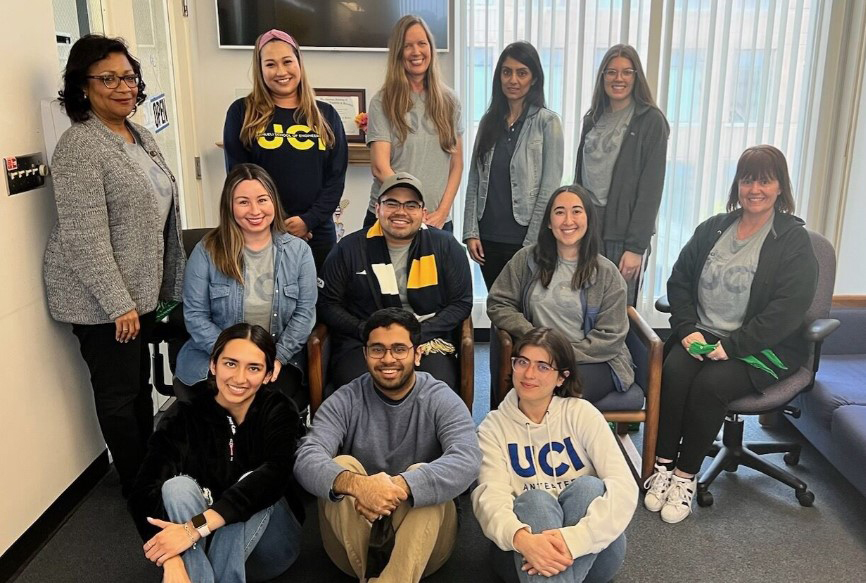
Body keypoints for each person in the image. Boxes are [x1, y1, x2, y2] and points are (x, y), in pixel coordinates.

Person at [644, 145, 818, 524]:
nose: (755, 188)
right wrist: (687, 329)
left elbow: (786, 311)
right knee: (673, 372)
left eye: (765, 180)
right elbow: (680, 281)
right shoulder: (713, 228)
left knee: (710, 385)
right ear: (737, 184)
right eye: (747, 179)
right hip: (703, 333)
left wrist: (732, 346)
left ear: (779, 187)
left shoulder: (792, 241)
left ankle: (686, 477)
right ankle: (663, 467)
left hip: (763, 346)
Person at [43, 34, 185, 497]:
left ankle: (147, 468)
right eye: (108, 78)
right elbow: (84, 237)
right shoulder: (79, 146)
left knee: (137, 386)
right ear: (83, 86)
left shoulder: (138, 134)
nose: (123, 86)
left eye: (128, 76)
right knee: (121, 397)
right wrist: (119, 304)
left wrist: (163, 291)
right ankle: (138, 486)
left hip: (137, 294)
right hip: (101, 302)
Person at [294, 308, 481, 583]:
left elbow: (468, 458)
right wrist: (359, 486)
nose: (388, 359)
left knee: (425, 480)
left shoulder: (441, 398)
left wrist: (403, 486)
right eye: (378, 349)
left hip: (424, 544)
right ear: (365, 355)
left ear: (417, 354)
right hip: (353, 534)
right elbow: (305, 457)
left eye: (399, 349)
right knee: (342, 467)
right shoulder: (345, 399)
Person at [128, 324, 305, 583]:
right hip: (200, 549)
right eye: (230, 364)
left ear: (269, 375)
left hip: (268, 547)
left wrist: (192, 528)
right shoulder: (185, 412)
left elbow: (273, 477)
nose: (239, 378)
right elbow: (142, 490)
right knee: (176, 488)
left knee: (248, 484)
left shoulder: (279, 411)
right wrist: (171, 560)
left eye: (254, 368)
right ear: (213, 365)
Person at [472, 327, 636, 583]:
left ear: (562, 377)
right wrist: (524, 540)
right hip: (522, 554)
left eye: (543, 367)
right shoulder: (493, 427)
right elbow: (489, 498)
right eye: (522, 362)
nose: (528, 374)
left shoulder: (582, 413)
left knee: (589, 487)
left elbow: (623, 487)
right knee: (535, 501)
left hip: (594, 549)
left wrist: (572, 541)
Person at [176, 163, 316, 410]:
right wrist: (231, 359)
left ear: (274, 202)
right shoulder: (207, 250)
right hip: (214, 356)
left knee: (265, 409)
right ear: (229, 207)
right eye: (243, 202)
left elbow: (305, 314)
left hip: (276, 358)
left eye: (262, 200)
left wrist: (278, 356)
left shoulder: (299, 252)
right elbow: (195, 315)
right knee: (217, 407)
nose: (255, 210)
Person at [318, 172, 472, 391]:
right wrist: (366, 330)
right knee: (356, 389)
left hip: (426, 338)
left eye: (411, 205)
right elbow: (327, 304)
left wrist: (416, 333)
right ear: (377, 208)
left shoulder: (447, 247)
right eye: (392, 203)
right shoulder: (348, 249)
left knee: (435, 389)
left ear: (423, 212)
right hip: (365, 338)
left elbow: (461, 302)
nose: (401, 212)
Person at [487, 185, 634, 407]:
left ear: (588, 219)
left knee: (556, 399)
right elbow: (498, 303)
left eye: (576, 211)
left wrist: (560, 356)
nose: (568, 221)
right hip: (539, 358)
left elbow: (610, 337)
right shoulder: (526, 260)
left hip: (592, 361)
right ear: (548, 221)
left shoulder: (606, 272)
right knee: (531, 392)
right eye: (559, 212)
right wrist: (532, 338)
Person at [223, 28, 348, 271]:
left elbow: (336, 179)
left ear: (299, 63)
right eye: (270, 64)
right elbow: (238, 178)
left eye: (287, 61)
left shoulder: (326, 115)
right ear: (260, 69)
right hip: (262, 230)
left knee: (319, 304)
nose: (281, 71)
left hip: (318, 234)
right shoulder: (241, 112)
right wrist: (277, 224)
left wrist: (307, 221)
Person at [464, 41, 564, 290]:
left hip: (523, 239)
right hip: (487, 237)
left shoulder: (547, 123)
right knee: (497, 308)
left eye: (522, 72)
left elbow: (549, 188)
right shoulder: (488, 121)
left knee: (524, 313)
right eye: (506, 72)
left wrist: (534, 241)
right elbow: (474, 179)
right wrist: (471, 232)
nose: (513, 79)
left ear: (534, 79)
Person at [574, 44, 669, 306]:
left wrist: (636, 247)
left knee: (617, 312)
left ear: (636, 77)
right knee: (583, 307)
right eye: (611, 72)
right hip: (589, 229)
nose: (619, 78)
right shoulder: (592, 118)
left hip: (623, 235)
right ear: (602, 76)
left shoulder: (650, 121)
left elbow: (651, 190)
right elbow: (579, 178)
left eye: (627, 72)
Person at [364, 14, 463, 232]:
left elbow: (456, 165)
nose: (416, 52)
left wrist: (443, 212)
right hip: (391, 220)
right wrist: (412, 209)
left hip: (436, 220)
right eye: (408, 46)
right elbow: (380, 168)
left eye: (422, 44)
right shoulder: (382, 101)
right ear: (398, 52)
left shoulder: (450, 102)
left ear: (431, 48)